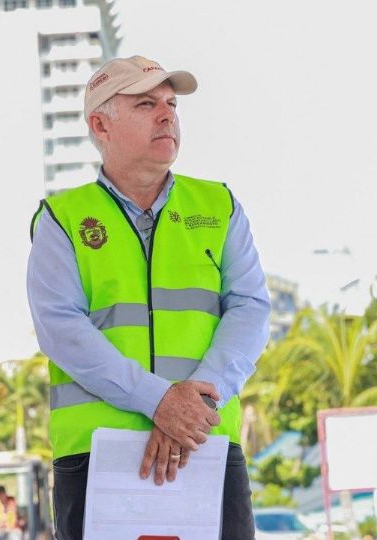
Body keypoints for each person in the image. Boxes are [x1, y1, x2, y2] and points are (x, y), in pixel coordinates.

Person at [26, 56, 270, 539]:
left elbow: (251, 308)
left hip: (206, 447)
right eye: (145, 104)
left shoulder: (218, 206)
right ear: (100, 124)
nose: (167, 115)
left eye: (171, 103)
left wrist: (190, 408)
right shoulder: (62, 218)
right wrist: (158, 401)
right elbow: (61, 329)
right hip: (97, 456)